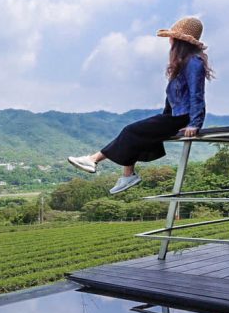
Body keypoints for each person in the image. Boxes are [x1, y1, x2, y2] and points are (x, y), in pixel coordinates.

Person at [68, 16, 214, 194]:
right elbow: (173, 98)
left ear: (179, 40)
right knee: (136, 133)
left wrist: (195, 124)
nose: (169, 41)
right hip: (173, 116)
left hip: (182, 118)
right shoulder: (183, 63)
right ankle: (125, 173)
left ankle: (95, 160)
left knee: (131, 130)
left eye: (172, 37)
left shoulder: (193, 63)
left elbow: (197, 94)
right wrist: (162, 119)